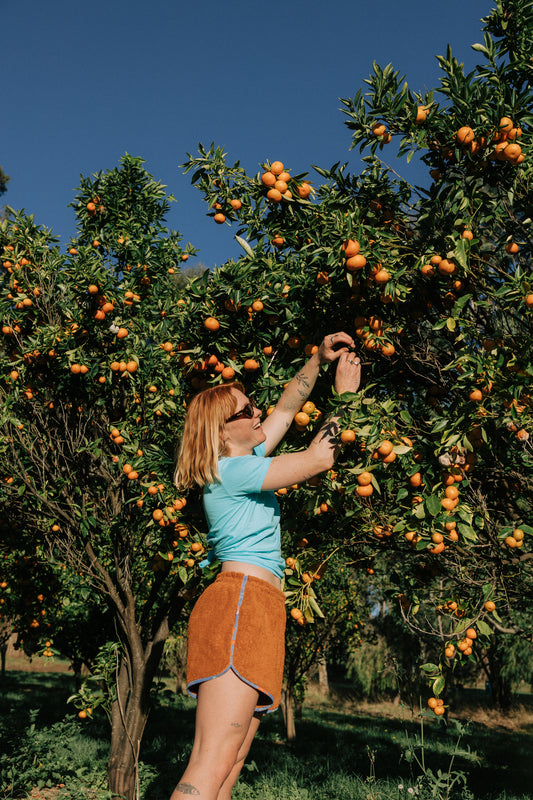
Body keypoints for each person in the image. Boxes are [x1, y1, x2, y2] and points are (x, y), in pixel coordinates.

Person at [170, 332, 361, 800]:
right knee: (210, 763)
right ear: (220, 432)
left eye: (252, 405)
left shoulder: (246, 458)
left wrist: (316, 360)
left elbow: (285, 408)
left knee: (230, 764)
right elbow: (319, 458)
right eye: (245, 411)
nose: (257, 413)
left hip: (259, 607)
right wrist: (345, 400)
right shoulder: (232, 472)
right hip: (239, 603)